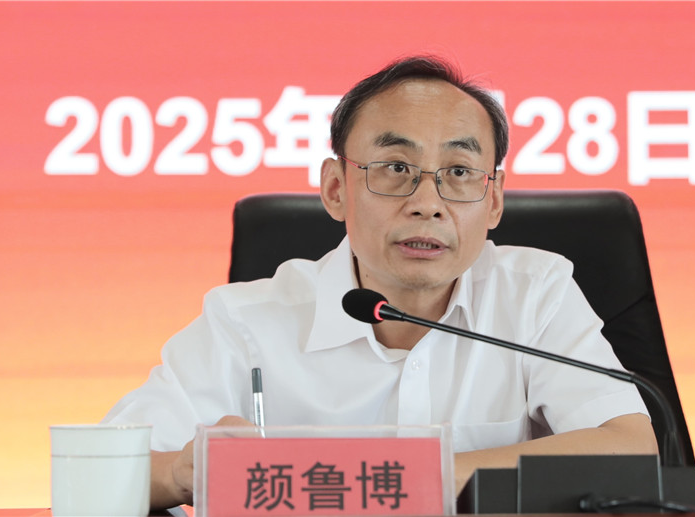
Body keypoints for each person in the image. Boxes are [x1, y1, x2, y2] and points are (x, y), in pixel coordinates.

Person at [102, 55, 658, 510]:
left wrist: (416, 479)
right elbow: (99, 470)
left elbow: (631, 450)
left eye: (459, 173)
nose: (427, 204)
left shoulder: (534, 293)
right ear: (336, 189)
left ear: (492, 200)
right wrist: (183, 472)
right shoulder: (245, 321)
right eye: (396, 168)